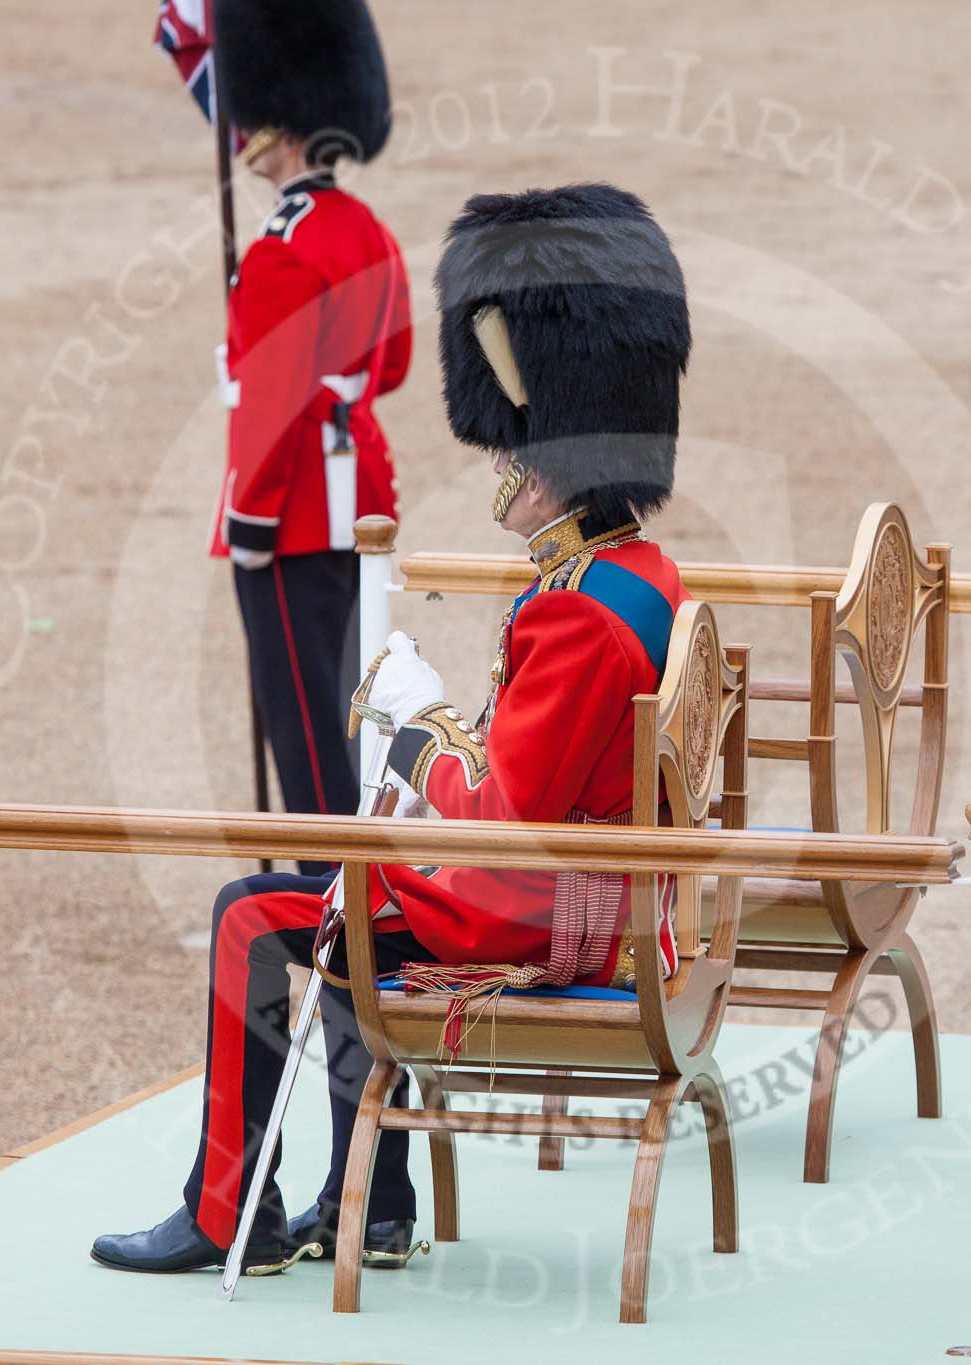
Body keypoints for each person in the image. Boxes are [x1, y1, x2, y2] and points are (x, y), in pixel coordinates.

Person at [91, 183, 695, 1273]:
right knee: (344, 885)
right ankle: (369, 1200)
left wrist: (415, 734)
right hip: (591, 889)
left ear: (551, 466)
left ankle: (231, 1215)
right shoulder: (638, 575)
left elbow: (498, 822)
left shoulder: (573, 610)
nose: (496, 472)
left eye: (511, 454)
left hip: (539, 914)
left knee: (257, 914)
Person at [212, 0, 410, 869]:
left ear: (282, 130)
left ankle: (335, 917)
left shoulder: (280, 247)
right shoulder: (367, 230)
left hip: (291, 515)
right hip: (361, 494)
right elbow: (394, 362)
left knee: (306, 735)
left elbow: (268, 410)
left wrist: (248, 528)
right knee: (354, 709)